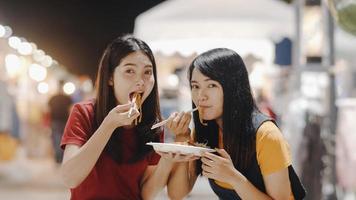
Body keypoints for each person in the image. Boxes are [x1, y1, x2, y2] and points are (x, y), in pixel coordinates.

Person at [163, 48, 305, 200]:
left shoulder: (266, 135)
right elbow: (176, 194)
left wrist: (234, 178)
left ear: (233, 87)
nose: (200, 96)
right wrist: (181, 138)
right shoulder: (204, 131)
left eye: (211, 85)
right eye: (195, 86)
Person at [60, 35, 177, 199]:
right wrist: (108, 125)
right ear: (110, 78)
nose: (140, 81)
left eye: (147, 72)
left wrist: (168, 159)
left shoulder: (154, 126)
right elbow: (69, 178)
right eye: (129, 71)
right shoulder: (84, 112)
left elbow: (146, 193)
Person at [48, 80, 73, 164]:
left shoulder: (53, 98)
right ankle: (61, 158)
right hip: (64, 120)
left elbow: (48, 109)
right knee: (63, 139)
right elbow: (71, 110)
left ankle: (58, 158)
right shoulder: (67, 98)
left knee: (56, 139)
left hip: (55, 120)